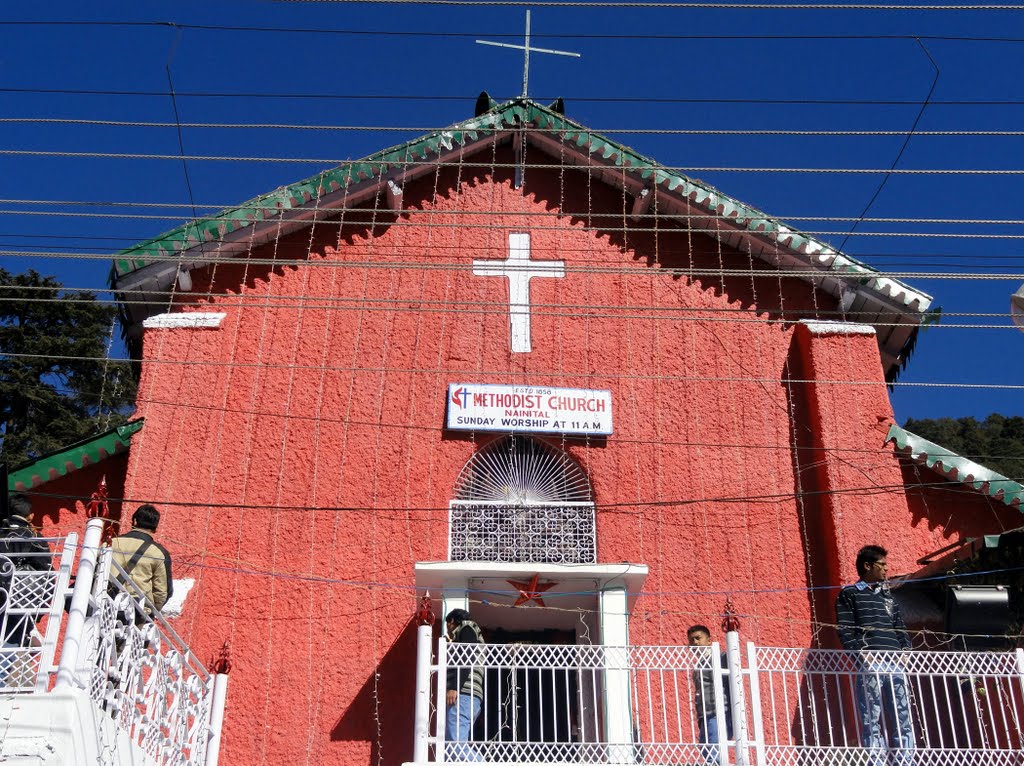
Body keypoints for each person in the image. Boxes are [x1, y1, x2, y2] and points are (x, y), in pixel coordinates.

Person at [835, 545, 915, 766]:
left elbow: (901, 630)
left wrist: (905, 652)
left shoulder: (888, 598)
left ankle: (905, 761)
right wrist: (861, 656)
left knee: (902, 716)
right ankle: (876, 762)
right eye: (882, 565)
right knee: (871, 717)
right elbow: (844, 630)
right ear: (867, 566)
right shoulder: (850, 594)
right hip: (871, 663)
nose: (886, 570)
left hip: (896, 663)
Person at [0, 493, 51, 684]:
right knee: (8, 644)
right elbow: (47, 576)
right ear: (30, 516)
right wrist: (39, 610)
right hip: (17, 601)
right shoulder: (34, 537)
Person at [110, 504, 173, 614]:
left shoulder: (111, 543)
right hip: (136, 611)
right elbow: (162, 592)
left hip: (106, 603)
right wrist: (150, 611)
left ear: (134, 521)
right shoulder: (159, 553)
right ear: (155, 528)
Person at [688, 625, 732, 765]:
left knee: (714, 750)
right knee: (706, 749)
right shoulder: (699, 664)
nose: (695, 642)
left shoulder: (719, 658)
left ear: (709, 640)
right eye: (691, 640)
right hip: (704, 715)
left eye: (698, 638)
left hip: (717, 712)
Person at [445, 608, 485, 761]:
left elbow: (466, 657)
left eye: (448, 626)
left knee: (455, 746)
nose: (449, 631)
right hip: (468, 697)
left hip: (464, 694)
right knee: (451, 746)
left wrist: (454, 686)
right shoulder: (470, 632)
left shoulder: (467, 627)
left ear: (452, 621)